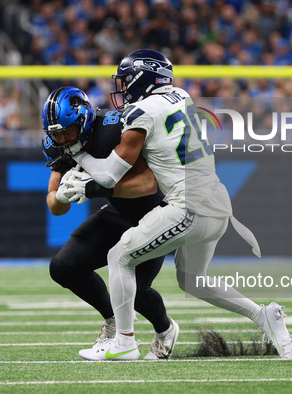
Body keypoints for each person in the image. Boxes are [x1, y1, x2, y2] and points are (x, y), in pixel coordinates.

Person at [64, 49, 292, 360]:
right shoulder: (182, 96)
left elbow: (107, 178)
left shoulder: (141, 113)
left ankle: (124, 341)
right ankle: (263, 315)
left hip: (189, 207)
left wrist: (79, 154)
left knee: (118, 256)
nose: (123, 88)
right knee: (192, 280)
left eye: (127, 81)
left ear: (145, 80)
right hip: (219, 204)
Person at [42, 86, 179, 359]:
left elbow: (148, 184)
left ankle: (165, 330)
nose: (63, 138)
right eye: (56, 133)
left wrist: (95, 188)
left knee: (136, 290)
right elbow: (54, 206)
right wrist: (63, 195)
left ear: (84, 120)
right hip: (118, 212)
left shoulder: (115, 128)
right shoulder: (58, 143)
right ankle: (112, 320)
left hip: (154, 214)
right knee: (63, 267)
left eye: (68, 130)